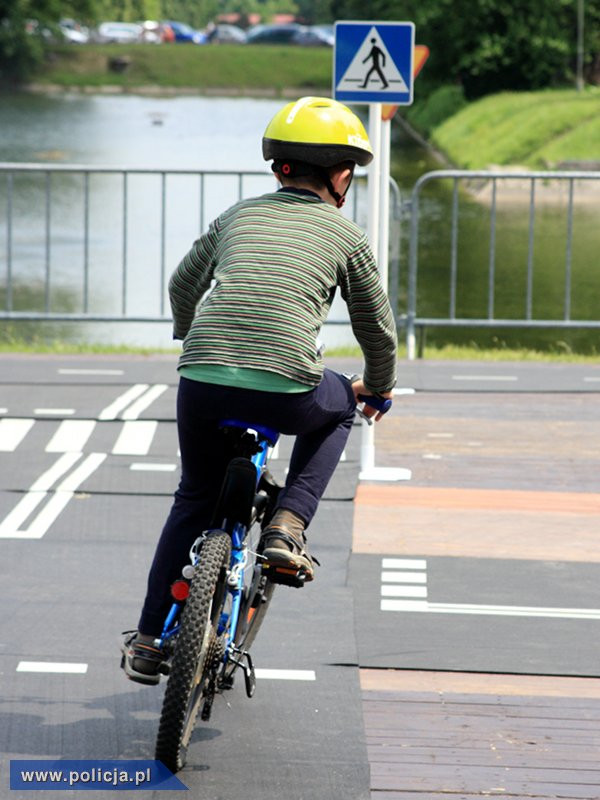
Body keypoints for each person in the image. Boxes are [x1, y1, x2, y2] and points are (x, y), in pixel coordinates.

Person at [121, 96, 397, 684]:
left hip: (201, 383)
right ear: (341, 173)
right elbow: (378, 328)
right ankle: (288, 524)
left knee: (194, 497)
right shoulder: (345, 236)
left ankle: (148, 640)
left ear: (279, 166)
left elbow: (182, 286)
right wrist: (377, 387)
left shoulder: (236, 217)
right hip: (288, 392)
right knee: (341, 405)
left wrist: (188, 336)